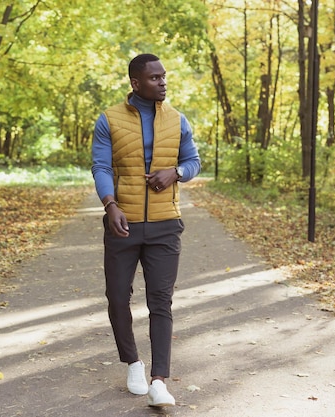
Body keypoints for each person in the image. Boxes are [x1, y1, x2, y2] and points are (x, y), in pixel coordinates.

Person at [91, 53, 201, 407]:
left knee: (161, 303)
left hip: (166, 225)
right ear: (135, 83)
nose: (163, 82)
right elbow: (101, 166)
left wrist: (177, 173)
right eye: (154, 78)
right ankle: (133, 362)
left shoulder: (178, 120)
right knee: (117, 297)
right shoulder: (109, 120)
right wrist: (111, 205)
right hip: (122, 224)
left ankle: (159, 380)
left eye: (164, 77)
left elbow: (193, 161)